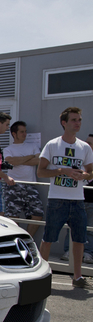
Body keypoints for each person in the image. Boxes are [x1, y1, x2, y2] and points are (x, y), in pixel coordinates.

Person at [38, 107, 93, 289]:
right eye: (74, 120)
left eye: (79, 120)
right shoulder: (52, 145)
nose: (78, 123)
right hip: (57, 200)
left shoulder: (84, 147)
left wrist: (83, 176)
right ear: (64, 123)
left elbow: (90, 171)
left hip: (78, 200)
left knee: (79, 239)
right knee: (48, 238)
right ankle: (41, 276)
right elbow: (41, 171)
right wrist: (62, 170)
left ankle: (77, 277)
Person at [2, 121, 44, 236]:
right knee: (13, 218)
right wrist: (30, 157)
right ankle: (17, 241)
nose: (24, 134)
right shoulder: (8, 149)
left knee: (37, 214)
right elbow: (10, 161)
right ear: (14, 134)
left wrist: (19, 160)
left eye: (25, 131)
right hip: (13, 185)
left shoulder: (33, 146)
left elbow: (38, 161)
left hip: (30, 185)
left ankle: (26, 241)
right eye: (22, 132)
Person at [63, 133, 93, 263]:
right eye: (86, 142)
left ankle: (87, 253)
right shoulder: (78, 157)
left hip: (91, 200)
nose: (87, 145)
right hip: (74, 198)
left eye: (90, 143)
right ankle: (68, 251)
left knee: (90, 229)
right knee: (71, 226)